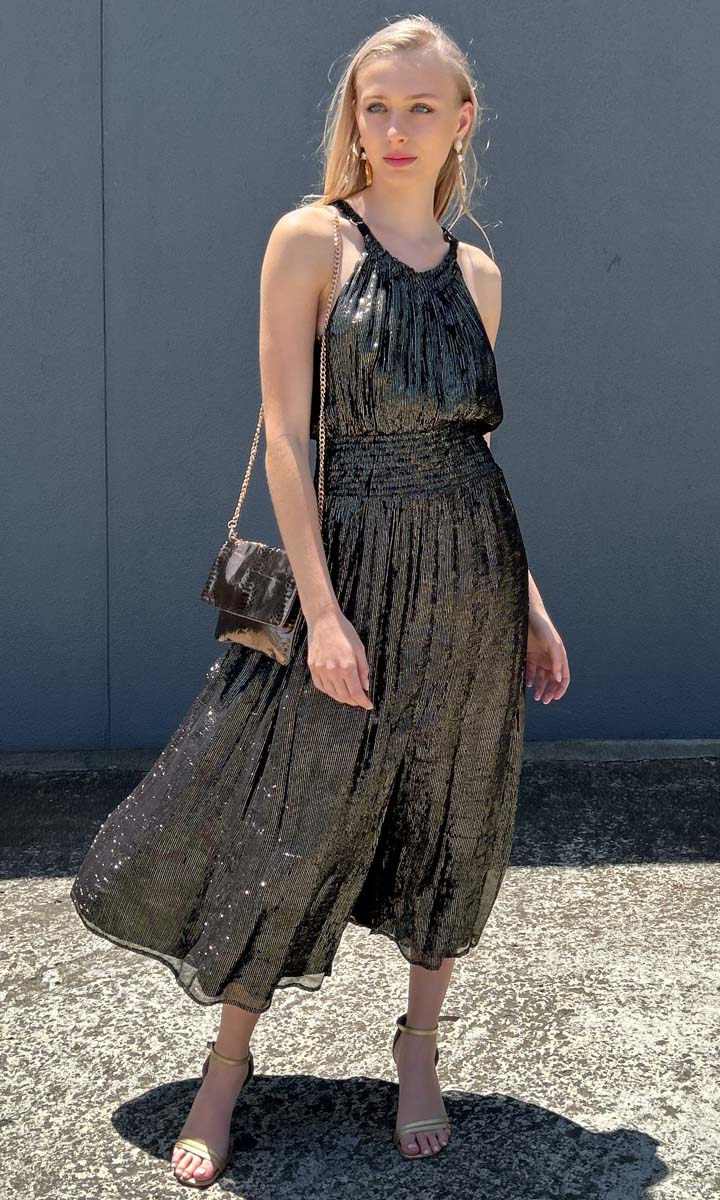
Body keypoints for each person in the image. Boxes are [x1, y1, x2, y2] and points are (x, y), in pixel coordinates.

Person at [70, 15, 570, 1186]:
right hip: (350, 565)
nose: (393, 127)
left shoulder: (480, 275)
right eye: (374, 105)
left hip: (472, 577)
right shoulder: (309, 240)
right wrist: (326, 613)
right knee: (289, 819)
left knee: (451, 814)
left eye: (419, 106)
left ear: (462, 121)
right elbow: (289, 440)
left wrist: (533, 605)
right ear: (354, 116)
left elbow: (472, 450)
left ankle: (419, 1047)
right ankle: (226, 1067)